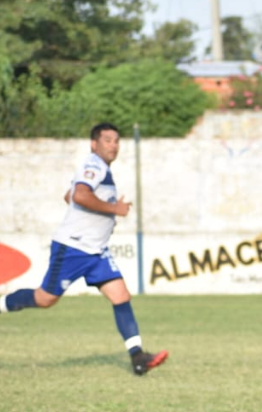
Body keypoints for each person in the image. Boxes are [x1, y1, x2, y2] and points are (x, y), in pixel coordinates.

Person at [0, 122, 168, 376]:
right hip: (73, 248)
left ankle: (138, 357)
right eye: (107, 140)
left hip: (96, 251)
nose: (114, 145)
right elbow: (79, 195)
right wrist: (114, 210)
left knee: (121, 296)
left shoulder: (101, 170)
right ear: (94, 144)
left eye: (116, 141)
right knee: (45, 299)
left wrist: (100, 217)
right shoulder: (94, 165)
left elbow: (69, 196)